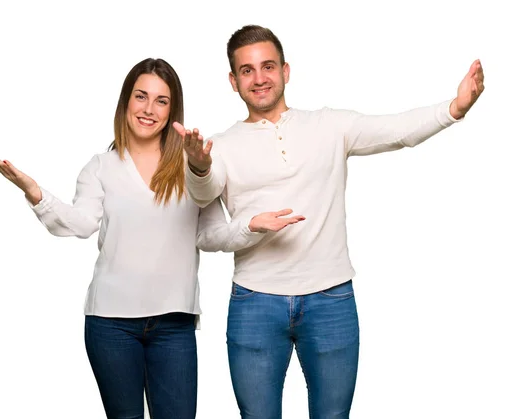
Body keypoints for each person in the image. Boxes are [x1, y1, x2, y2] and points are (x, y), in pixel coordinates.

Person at [176, 25, 485, 419]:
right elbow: (204, 195)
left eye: (267, 66)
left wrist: (453, 109)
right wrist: (199, 166)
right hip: (255, 302)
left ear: (286, 71)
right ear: (233, 80)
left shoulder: (329, 125)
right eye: (248, 71)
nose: (259, 78)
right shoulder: (220, 146)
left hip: (330, 299)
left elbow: (395, 130)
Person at [0, 57, 305, 419]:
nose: (149, 109)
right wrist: (35, 192)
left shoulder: (192, 165)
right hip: (110, 323)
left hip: (174, 323)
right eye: (141, 97)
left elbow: (210, 235)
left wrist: (250, 226)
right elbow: (80, 223)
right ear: (126, 102)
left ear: (172, 110)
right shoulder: (101, 167)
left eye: (161, 101)